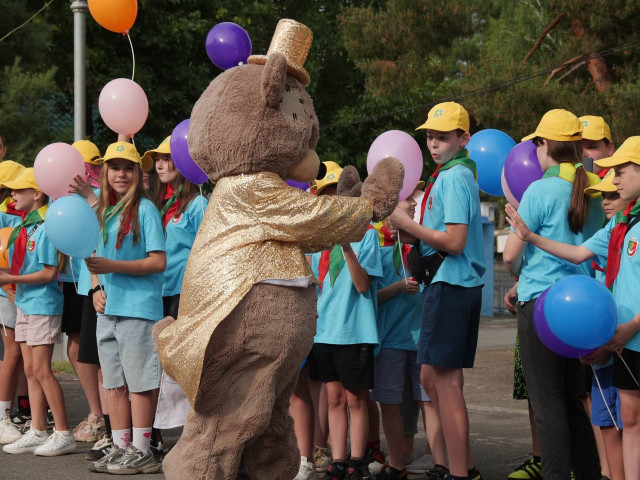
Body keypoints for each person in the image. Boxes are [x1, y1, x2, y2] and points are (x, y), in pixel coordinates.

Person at [506, 135, 640, 479]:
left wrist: (630, 327)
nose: (615, 179)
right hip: (611, 332)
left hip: (619, 331)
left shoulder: (628, 222)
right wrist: (531, 236)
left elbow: (514, 258)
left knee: (619, 419)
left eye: (621, 172)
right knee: (618, 415)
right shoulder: (618, 223)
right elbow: (579, 253)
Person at [502, 109, 605, 480]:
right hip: (581, 309)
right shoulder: (593, 187)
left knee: (547, 405)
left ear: (544, 146)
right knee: (573, 403)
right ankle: (589, 474)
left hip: (541, 308)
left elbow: (511, 254)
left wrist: (519, 276)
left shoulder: (539, 190)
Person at [389, 101, 485, 480]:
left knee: (443, 384)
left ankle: (462, 471)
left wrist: (403, 222)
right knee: (433, 379)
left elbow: (456, 241)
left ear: (464, 139)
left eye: (442, 137)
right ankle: (460, 466)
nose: (433, 144)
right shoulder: (448, 175)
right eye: (429, 136)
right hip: (447, 285)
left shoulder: (454, 177)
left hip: (452, 284)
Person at [85, 142, 166, 475]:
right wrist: (95, 289)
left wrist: (113, 267)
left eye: (128, 167)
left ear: (138, 174)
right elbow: (92, 259)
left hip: (138, 309)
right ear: (105, 173)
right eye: (115, 167)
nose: (121, 173)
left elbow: (158, 261)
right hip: (109, 309)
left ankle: (143, 450)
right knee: (114, 382)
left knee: (140, 382)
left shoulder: (145, 210)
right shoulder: (104, 211)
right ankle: (120, 447)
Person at [0, 168, 76, 456]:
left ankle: (64, 432)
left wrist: (11, 280)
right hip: (25, 303)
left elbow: (48, 273)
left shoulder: (45, 226)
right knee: (30, 370)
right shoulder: (25, 225)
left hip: (43, 304)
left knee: (42, 370)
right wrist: (10, 279)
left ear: (37, 194)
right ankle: (38, 428)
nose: (12, 195)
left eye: (19, 190)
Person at [371, 191, 446, 480]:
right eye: (407, 204)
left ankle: (439, 463)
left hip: (422, 340)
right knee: (389, 404)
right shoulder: (376, 249)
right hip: (389, 340)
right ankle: (397, 464)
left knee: (429, 401)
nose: (413, 207)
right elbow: (367, 298)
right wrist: (398, 288)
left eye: (413, 205)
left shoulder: (427, 249)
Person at [308, 195, 383, 480]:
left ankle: (356, 459)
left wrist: (346, 246)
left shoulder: (368, 237)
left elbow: (363, 285)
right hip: (324, 332)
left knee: (356, 399)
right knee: (334, 398)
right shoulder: (319, 242)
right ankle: (338, 461)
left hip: (354, 332)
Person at [145, 137, 207, 441]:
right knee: (158, 363)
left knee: (186, 365)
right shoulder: (158, 202)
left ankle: (193, 435)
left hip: (186, 294)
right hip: (158, 291)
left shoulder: (198, 203)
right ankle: (154, 432)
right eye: (157, 158)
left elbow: (208, 249)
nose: (159, 164)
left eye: (167, 158)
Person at [292, 161, 342, 480]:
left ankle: (326, 449)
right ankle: (306, 455)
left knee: (327, 391)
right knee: (302, 390)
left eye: (338, 194)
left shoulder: (349, 239)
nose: (331, 200)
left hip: (333, 328)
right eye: (325, 194)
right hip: (306, 322)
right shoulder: (307, 237)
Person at [62, 140, 105, 444]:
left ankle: (100, 416)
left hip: (95, 281)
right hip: (74, 280)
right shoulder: (65, 197)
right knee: (76, 350)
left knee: (94, 355)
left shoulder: (99, 197)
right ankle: (97, 413)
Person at [0, 161, 27, 444]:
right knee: (12, 353)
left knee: (19, 355)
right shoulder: (4, 216)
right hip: (7, 292)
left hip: (20, 290)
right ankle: (2, 417)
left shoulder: (22, 215)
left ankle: (21, 412)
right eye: (10, 190)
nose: (12, 195)